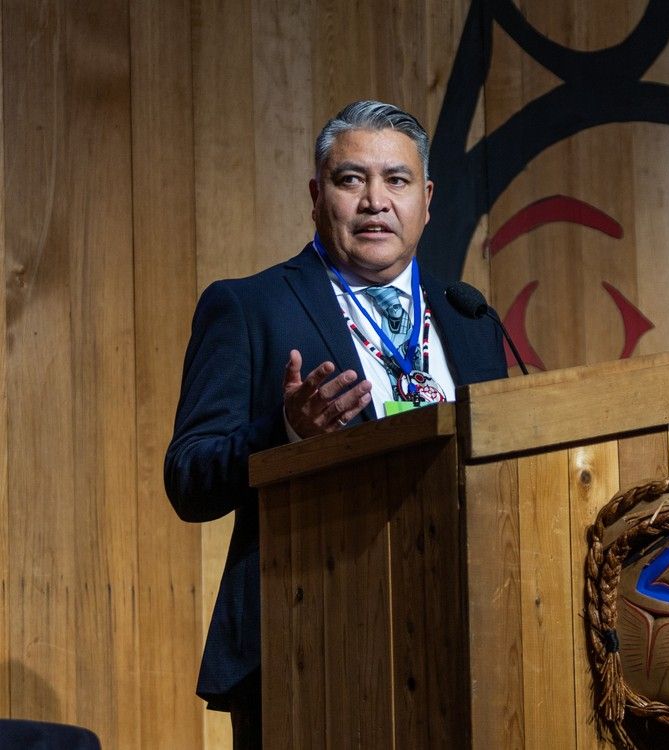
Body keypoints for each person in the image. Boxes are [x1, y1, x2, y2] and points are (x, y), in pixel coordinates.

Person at [164, 100, 508, 749]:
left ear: (427, 200)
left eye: (397, 180)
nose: (376, 201)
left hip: (468, 637)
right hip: (308, 644)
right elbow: (188, 477)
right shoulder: (250, 307)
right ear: (317, 197)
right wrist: (286, 433)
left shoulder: (471, 320)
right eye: (352, 180)